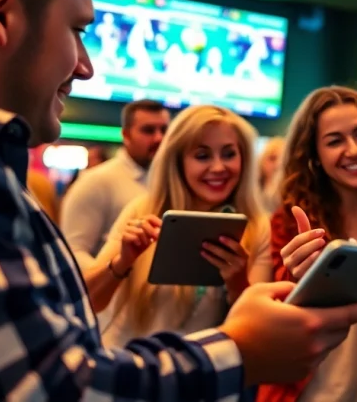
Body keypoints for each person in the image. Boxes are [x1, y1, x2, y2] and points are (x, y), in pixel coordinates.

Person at [0, 0, 357, 400]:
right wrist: (239, 351)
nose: (86, 67)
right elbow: (55, 388)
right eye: (77, 30)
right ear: (0, 11)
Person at [258, 86, 357, 402]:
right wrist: (294, 279)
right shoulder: (290, 220)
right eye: (335, 141)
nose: (354, 149)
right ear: (314, 155)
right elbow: (267, 318)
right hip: (302, 390)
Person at [83, 105, 273, 348]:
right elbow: (87, 301)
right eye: (202, 156)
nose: (218, 167)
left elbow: (259, 330)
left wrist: (237, 283)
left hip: (200, 375)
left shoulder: (256, 227)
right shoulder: (143, 211)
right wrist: (123, 261)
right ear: (178, 161)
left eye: (228, 154)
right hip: (126, 367)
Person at [60, 99, 170, 268]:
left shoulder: (168, 181)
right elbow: (73, 251)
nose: (159, 138)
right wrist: (113, 282)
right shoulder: (96, 181)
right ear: (126, 135)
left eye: (164, 130)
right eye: (148, 130)